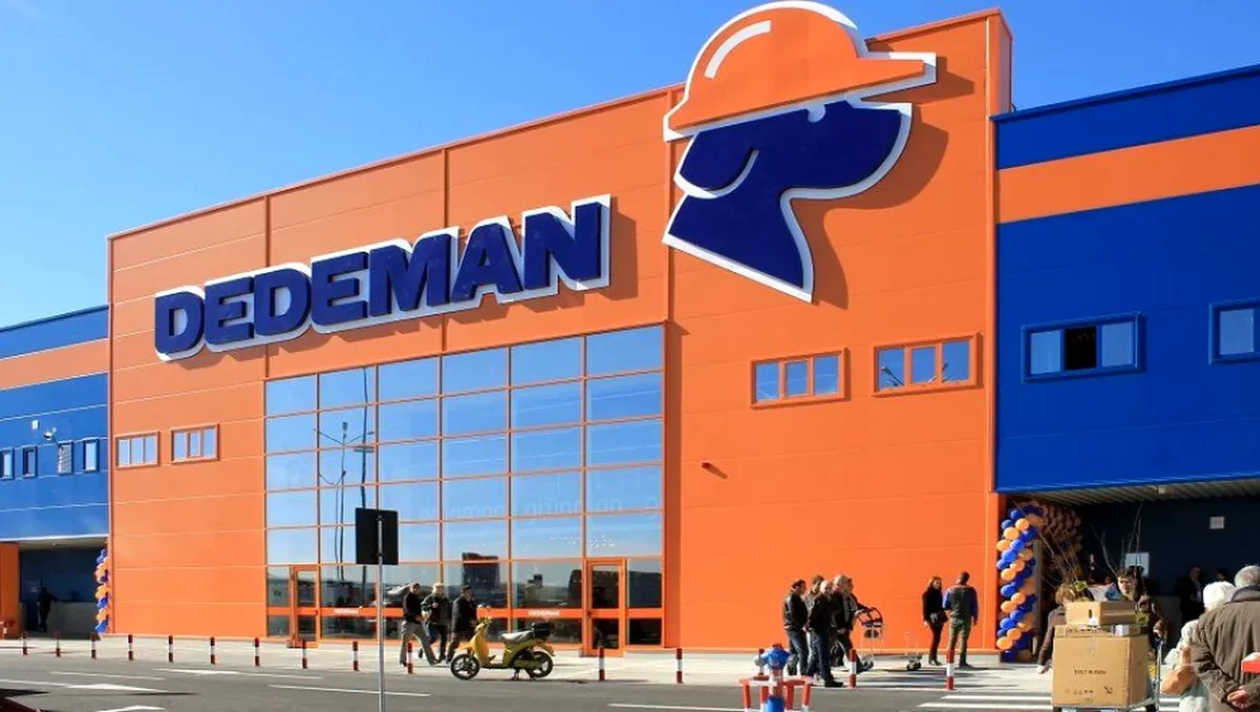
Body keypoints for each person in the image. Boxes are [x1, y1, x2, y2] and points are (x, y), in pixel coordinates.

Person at [1191, 565, 1260, 712]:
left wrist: (1228, 691)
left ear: (1237, 587)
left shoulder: (1208, 619)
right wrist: (1251, 691)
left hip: (1225, 705)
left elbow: (1201, 663)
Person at [1162, 581, 1236, 712]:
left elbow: (1176, 664)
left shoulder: (1193, 628)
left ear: (1206, 605)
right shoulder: (1239, 628)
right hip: (1229, 701)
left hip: (1195, 702)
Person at [1038, 583, 1086, 673]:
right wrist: (1042, 661)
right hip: (1074, 656)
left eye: (1073, 598)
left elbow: (1048, 640)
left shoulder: (1054, 614)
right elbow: (1048, 640)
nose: (1071, 601)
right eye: (1069, 598)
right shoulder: (1056, 615)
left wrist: (1041, 662)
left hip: (1068, 657)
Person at [805, 581, 842, 687]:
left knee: (816, 655)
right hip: (819, 630)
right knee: (823, 655)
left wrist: (833, 597)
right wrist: (810, 626)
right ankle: (828, 679)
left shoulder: (829, 599)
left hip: (825, 629)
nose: (828, 590)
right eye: (826, 588)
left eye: (830, 588)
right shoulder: (819, 599)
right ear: (821, 589)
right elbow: (812, 614)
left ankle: (808, 678)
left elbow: (837, 609)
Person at [944, 571, 979, 669]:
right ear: (967, 579)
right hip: (966, 618)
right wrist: (975, 617)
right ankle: (962, 662)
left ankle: (949, 660)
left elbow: (945, 605)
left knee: (952, 640)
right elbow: (974, 605)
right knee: (963, 640)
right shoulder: (971, 590)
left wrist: (951, 611)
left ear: (958, 578)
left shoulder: (950, 590)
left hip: (954, 617)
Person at [832, 575, 866, 666]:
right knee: (847, 646)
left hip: (844, 625)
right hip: (838, 627)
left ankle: (835, 663)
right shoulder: (834, 595)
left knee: (839, 646)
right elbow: (833, 614)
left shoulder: (844, 594)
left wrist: (865, 609)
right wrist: (839, 627)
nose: (848, 585)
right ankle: (857, 666)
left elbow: (854, 605)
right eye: (846, 582)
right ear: (840, 583)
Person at [783, 579, 809, 677]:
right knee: (803, 651)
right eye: (803, 587)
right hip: (795, 628)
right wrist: (802, 625)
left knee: (793, 651)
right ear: (797, 587)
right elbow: (794, 614)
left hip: (791, 627)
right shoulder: (793, 598)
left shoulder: (792, 596)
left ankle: (791, 671)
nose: (805, 589)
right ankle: (804, 673)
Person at [421, 582, 452, 665]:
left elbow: (450, 609)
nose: (439, 590)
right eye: (437, 588)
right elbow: (423, 606)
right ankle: (423, 648)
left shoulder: (445, 599)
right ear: (433, 589)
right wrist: (431, 606)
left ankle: (442, 655)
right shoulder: (430, 598)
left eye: (441, 589)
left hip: (443, 622)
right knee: (433, 638)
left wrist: (450, 619)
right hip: (433, 622)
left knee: (444, 639)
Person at [447, 586, 478, 661]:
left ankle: (470, 658)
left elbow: (474, 613)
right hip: (459, 626)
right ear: (463, 593)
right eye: (467, 592)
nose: (470, 593)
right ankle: (449, 658)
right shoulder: (458, 601)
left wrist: (476, 622)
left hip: (469, 627)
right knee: (455, 643)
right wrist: (470, 620)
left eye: (470, 592)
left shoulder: (471, 602)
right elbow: (459, 614)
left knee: (473, 642)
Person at [398, 583, 426, 667]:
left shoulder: (418, 598)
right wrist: (416, 617)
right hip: (409, 623)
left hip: (418, 623)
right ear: (410, 588)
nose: (416, 589)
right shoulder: (407, 597)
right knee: (405, 642)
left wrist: (422, 617)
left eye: (417, 588)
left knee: (425, 641)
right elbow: (407, 611)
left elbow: (419, 610)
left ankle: (432, 660)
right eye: (414, 588)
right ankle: (403, 660)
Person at [922, 576, 946, 666]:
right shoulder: (927, 594)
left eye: (939, 583)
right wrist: (925, 619)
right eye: (936, 583)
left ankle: (933, 658)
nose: (938, 584)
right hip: (932, 618)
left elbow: (941, 606)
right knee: (936, 638)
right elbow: (925, 608)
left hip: (939, 618)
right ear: (931, 583)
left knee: (937, 638)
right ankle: (932, 658)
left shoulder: (939, 593)